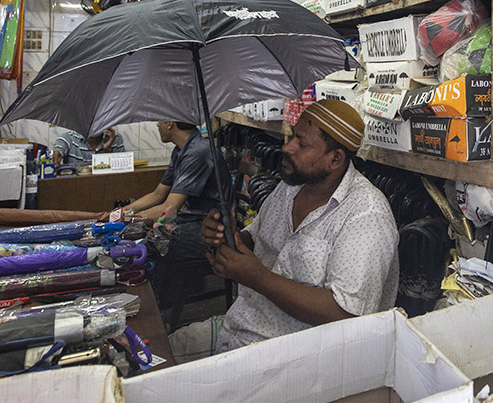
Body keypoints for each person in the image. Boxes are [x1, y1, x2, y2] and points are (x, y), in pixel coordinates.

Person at [169, 100, 398, 361]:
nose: (286, 147)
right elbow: (256, 239)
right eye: (291, 136)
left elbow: (345, 313)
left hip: (292, 357)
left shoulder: (366, 215)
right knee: (155, 355)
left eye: (302, 143)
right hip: (239, 325)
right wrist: (227, 236)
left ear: (335, 159)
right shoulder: (290, 187)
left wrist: (258, 277)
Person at [122, 121, 222, 259]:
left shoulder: (198, 153)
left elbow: (170, 209)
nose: (157, 125)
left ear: (169, 123)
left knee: (142, 246)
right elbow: (157, 195)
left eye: (159, 120)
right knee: (133, 236)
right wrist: (121, 213)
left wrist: (128, 220)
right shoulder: (180, 151)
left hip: (206, 228)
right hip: (186, 221)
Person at [52, 128, 124, 172]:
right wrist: (56, 157)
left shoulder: (115, 138)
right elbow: (59, 148)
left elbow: (123, 172)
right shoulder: (69, 138)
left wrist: (108, 151)